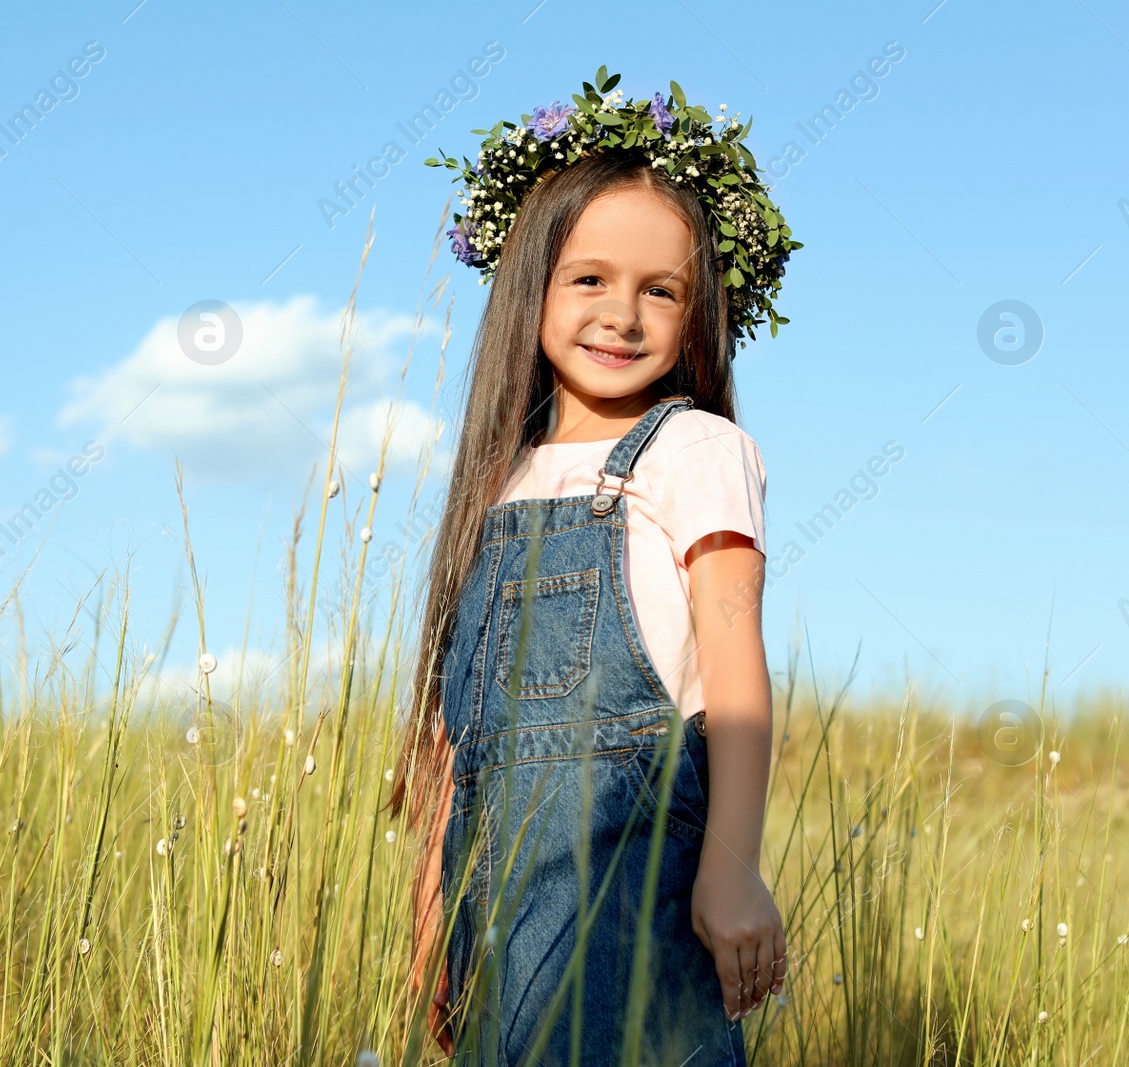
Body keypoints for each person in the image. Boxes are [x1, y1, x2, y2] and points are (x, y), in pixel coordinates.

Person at [385, 71, 800, 1065]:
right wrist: (431, 919)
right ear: (530, 284)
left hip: (638, 898)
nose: (622, 312)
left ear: (698, 312)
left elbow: (734, 667)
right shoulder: (495, 484)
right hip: (500, 928)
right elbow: (459, 749)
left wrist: (732, 867)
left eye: (661, 290)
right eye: (589, 279)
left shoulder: (689, 448)